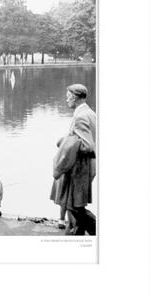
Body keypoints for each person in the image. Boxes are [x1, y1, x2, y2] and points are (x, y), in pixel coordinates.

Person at [50, 83, 97, 235]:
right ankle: (76, 234)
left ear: (75, 97)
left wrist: (65, 143)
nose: (66, 100)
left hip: (79, 168)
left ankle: (96, 231)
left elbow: (88, 146)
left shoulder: (80, 117)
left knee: (74, 206)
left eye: (68, 97)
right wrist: (68, 138)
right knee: (74, 206)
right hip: (86, 166)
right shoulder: (90, 113)